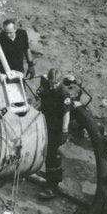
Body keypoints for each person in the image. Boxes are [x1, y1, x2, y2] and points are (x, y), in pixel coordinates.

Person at [36, 68, 72, 199]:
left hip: (56, 128)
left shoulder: (63, 94)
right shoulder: (48, 87)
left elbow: (66, 113)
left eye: (55, 83)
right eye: (51, 83)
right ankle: (47, 175)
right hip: (45, 123)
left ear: (60, 81)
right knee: (44, 151)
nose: (53, 86)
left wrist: (64, 130)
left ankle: (52, 186)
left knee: (52, 155)